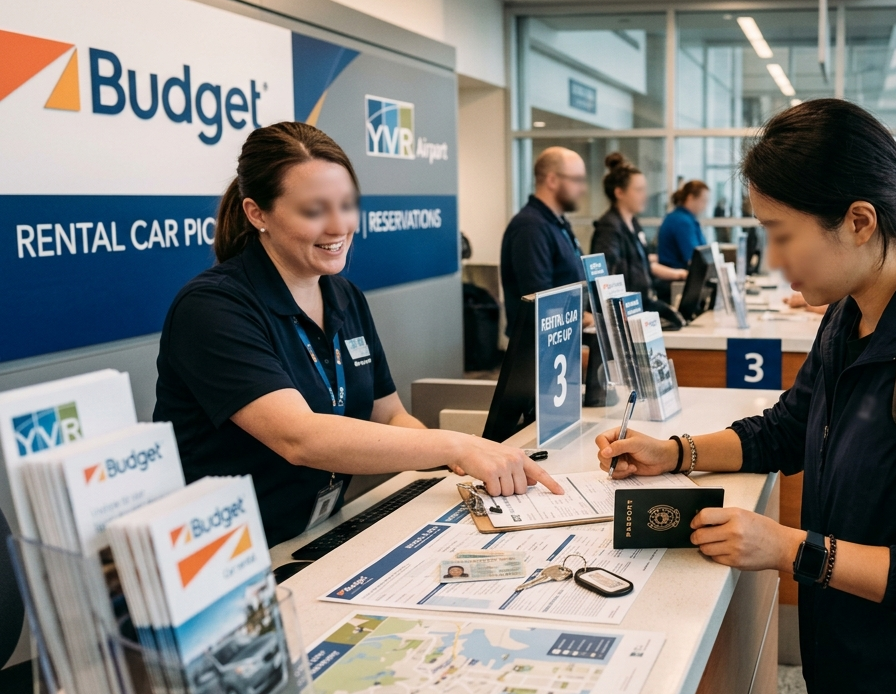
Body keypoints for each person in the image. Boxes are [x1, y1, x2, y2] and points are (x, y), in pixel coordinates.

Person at [595, 99, 896, 694]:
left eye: (782, 234)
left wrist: (788, 547)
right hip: (854, 682)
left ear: (859, 221)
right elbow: (788, 429)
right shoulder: (850, 314)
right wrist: (675, 452)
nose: (775, 260)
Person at [154, 122, 560, 546]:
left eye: (347, 205)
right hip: (226, 553)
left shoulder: (343, 295)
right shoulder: (214, 307)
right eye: (314, 210)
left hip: (312, 533)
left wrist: (466, 458)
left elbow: (389, 415)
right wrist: (454, 447)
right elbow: (300, 438)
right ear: (257, 213)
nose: (339, 226)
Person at [500, 147, 589, 333]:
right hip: (540, 346)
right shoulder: (530, 228)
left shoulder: (557, 223)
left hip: (563, 339)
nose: (583, 189)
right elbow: (541, 302)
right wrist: (583, 318)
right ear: (552, 180)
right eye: (577, 180)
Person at [591, 153, 687, 298]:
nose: (644, 196)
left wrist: (678, 274)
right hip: (628, 306)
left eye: (644, 190)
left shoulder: (633, 223)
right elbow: (606, 279)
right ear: (619, 192)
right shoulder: (609, 228)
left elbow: (643, 265)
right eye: (638, 190)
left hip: (643, 301)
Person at [658, 179, 711, 271]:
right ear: (690, 198)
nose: (705, 206)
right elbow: (694, 258)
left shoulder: (679, 217)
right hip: (677, 275)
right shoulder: (682, 222)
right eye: (703, 201)